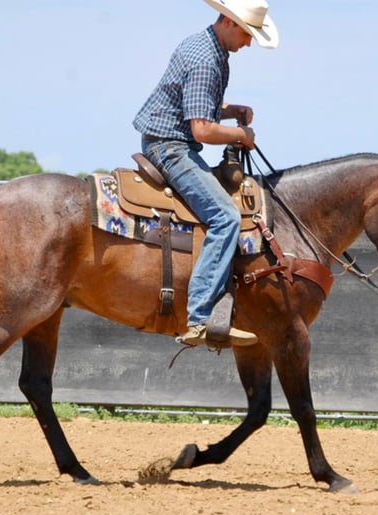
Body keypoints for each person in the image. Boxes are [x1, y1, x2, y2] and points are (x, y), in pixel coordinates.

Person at [133, 0, 279, 347]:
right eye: (247, 34)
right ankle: (199, 317)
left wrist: (230, 111)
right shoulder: (205, 61)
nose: (247, 44)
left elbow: (197, 106)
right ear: (229, 22)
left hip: (166, 139)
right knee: (226, 217)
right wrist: (241, 135)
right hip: (171, 147)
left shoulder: (204, 45)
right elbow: (200, 130)